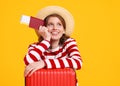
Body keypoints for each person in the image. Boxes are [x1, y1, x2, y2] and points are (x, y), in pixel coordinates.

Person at [24, 6, 82, 85]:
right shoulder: (35, 47)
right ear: (44, 28)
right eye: (50, 24)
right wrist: (46, 39)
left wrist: (44, 63)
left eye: (59, 24)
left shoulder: (69, 43)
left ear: (64, 30)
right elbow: (28, 61)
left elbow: (78, 62)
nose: (55, 28)